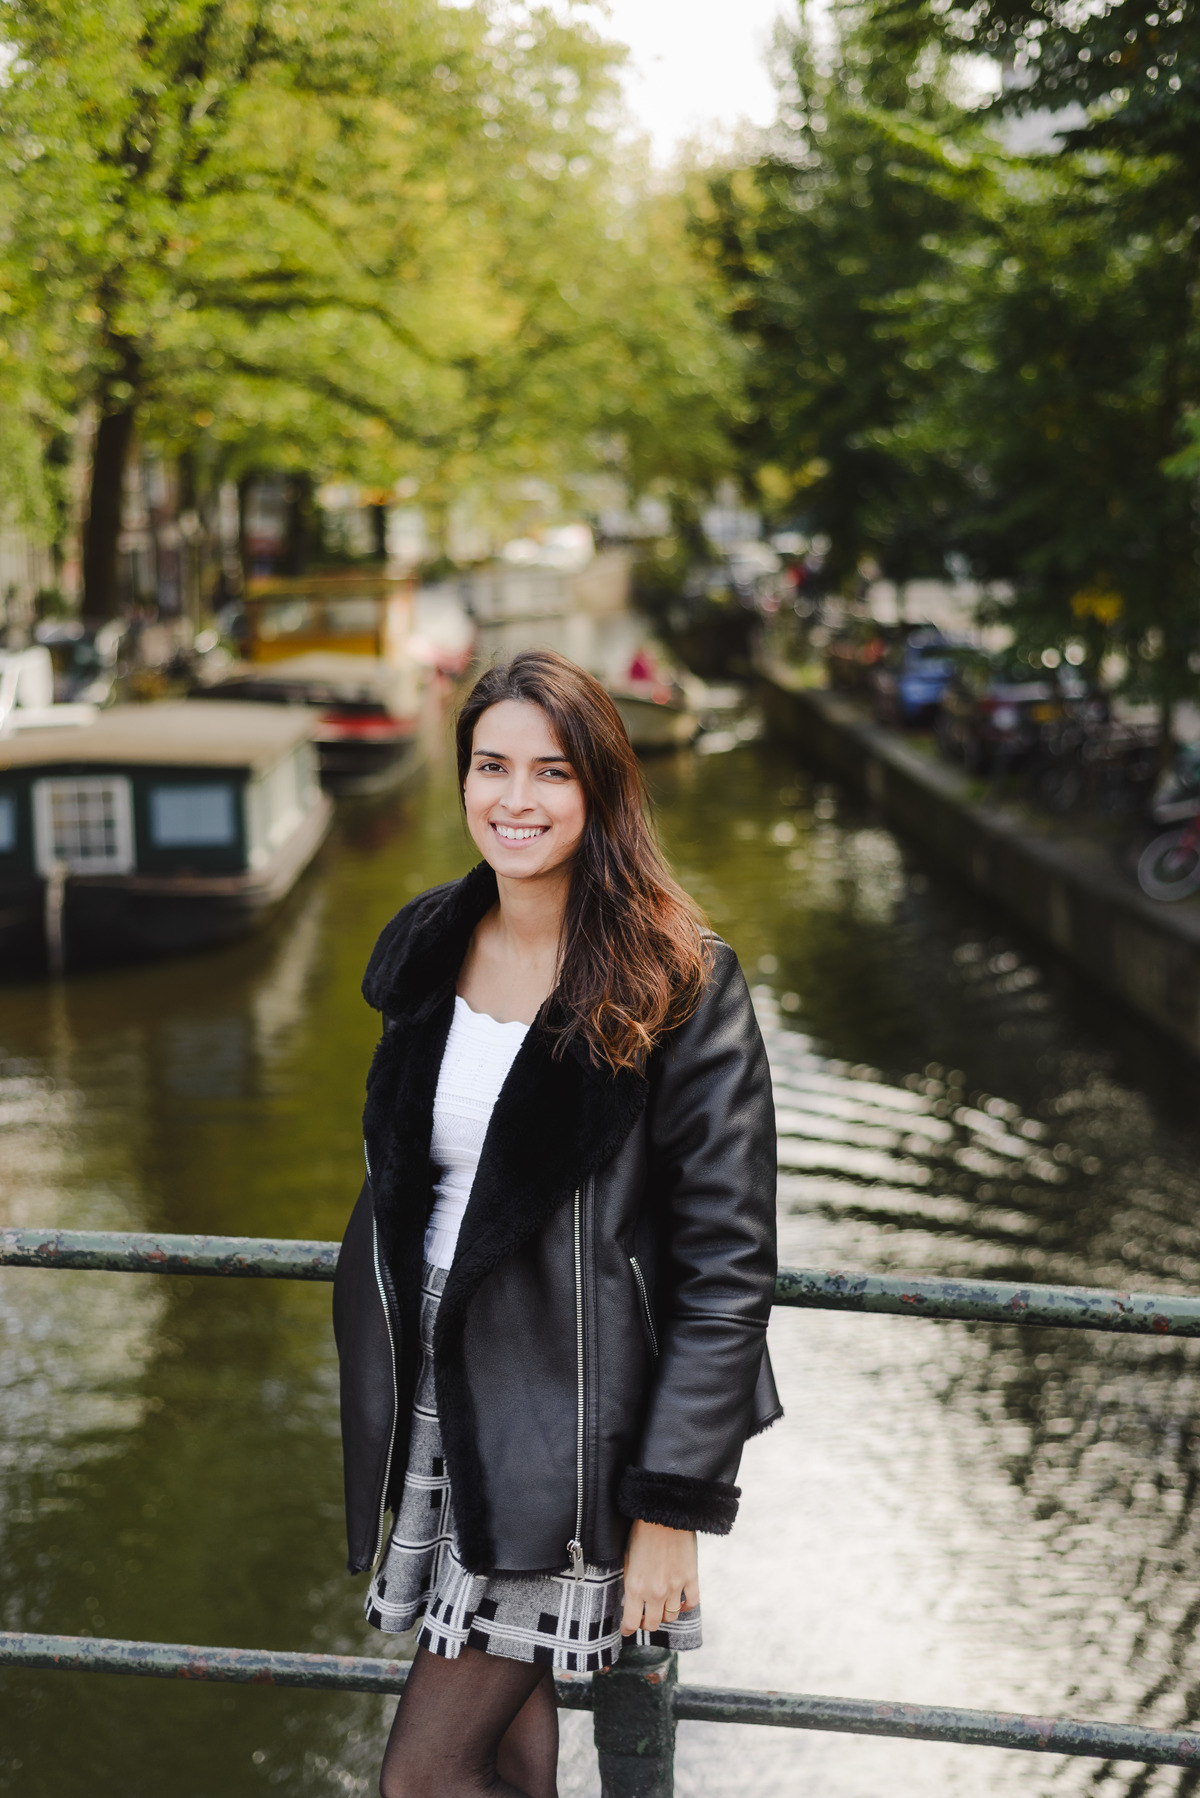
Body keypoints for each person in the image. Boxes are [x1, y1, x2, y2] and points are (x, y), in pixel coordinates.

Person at [333, 649, 779, 1798]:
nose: (514, 800)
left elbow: (726, 1268)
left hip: (573, 1430)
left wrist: (674, 1504)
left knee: (421, 1779)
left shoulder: (678, 980)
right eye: (491, 766)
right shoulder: (429, 946)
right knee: (508, 1763)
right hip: (441, 1400)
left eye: (551, 771)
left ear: (602, 791)